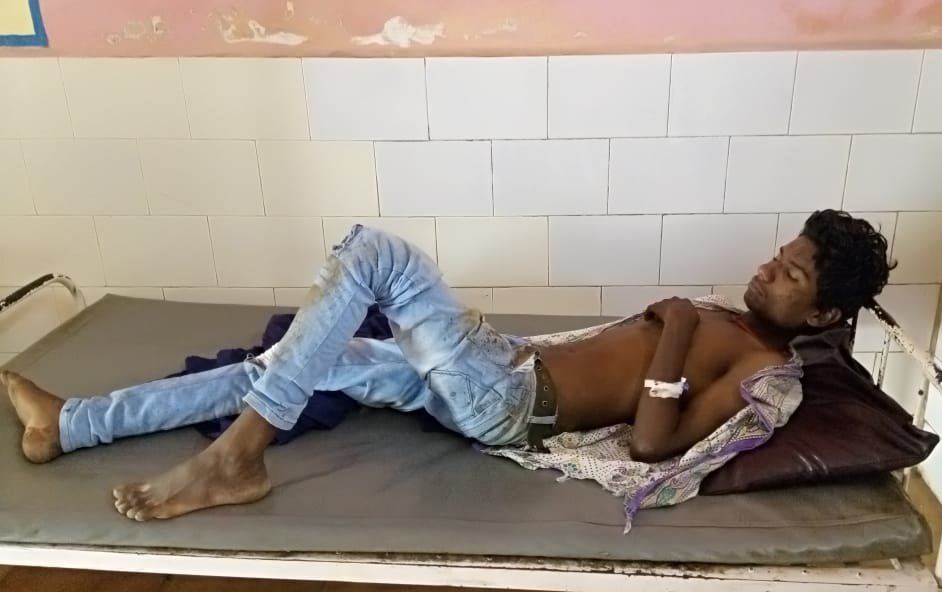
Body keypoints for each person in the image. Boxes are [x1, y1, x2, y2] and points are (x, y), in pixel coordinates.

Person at [2, 209, 892, 523]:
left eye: (793, 275)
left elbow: (658, 449)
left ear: (823, 315)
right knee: (287, 366)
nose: (769, 270)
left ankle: (237, 457)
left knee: (374, 254)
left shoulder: (761, 374)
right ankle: (72, 423)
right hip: (497, 364)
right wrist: (682, 322)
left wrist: (673, 332)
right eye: (780, 255)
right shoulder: (733, 318)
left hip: (507, 400)